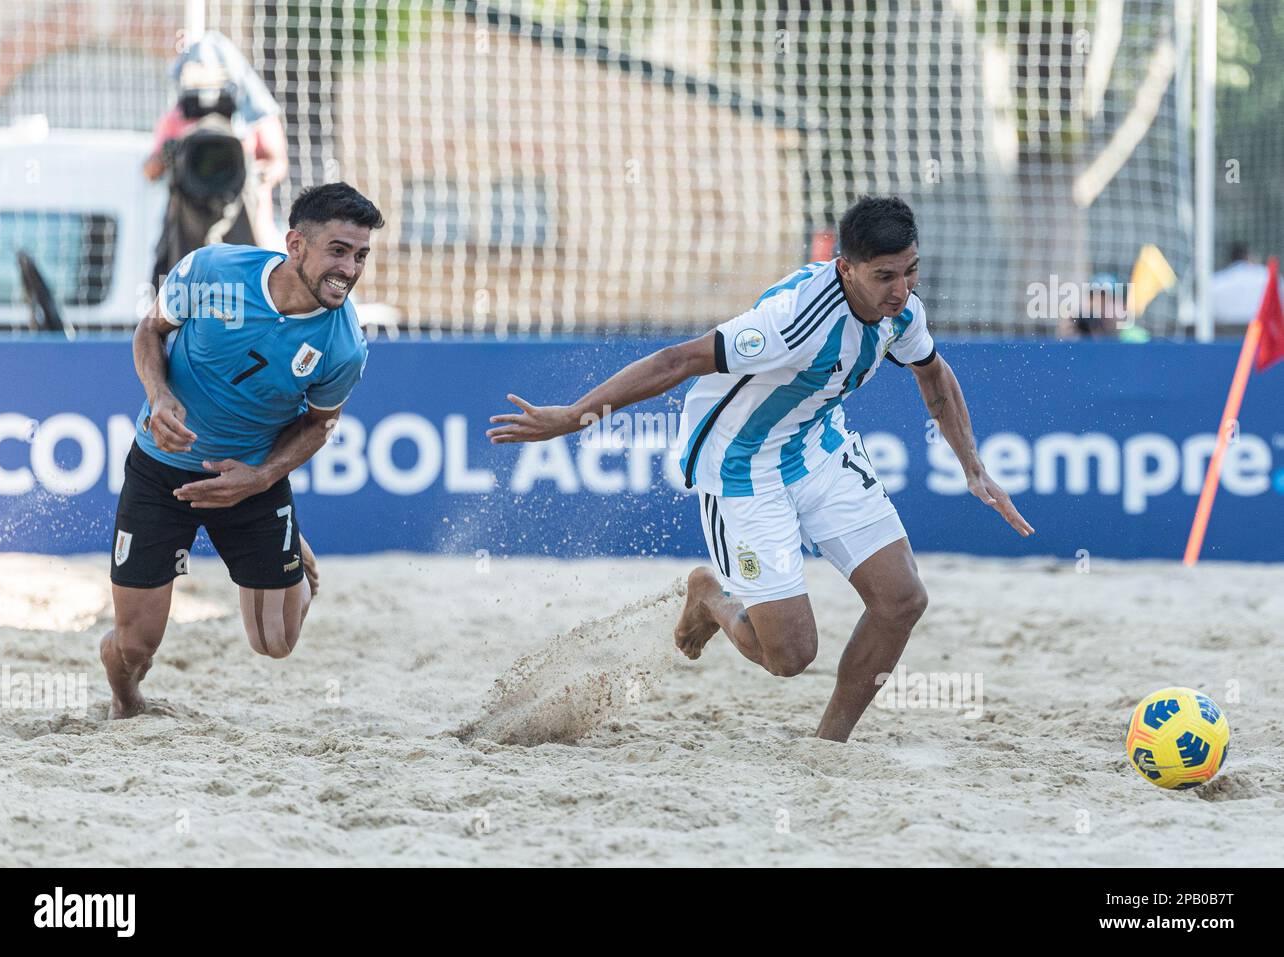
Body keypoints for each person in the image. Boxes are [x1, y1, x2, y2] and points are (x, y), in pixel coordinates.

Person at [487, 196, 1033, 742]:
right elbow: (676, 361)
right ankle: (710, 596)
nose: (902, 289)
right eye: (885, 276)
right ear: (846, 268)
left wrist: (973, 467)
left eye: (911, 271)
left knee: (903, 600)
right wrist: (572, 417)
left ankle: (828, 748)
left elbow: (933, 373)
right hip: (741, 466)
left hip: (815, 446)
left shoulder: (900, 310)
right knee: (790, 656)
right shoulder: (790, 324)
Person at [100, 183, 384, 719]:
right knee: (134, 647)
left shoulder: (344, 344)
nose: (350, 269)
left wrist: (259, 477)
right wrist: (159, 397)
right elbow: (150, 331)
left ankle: (286, 541)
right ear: (296, 244)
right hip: (161, 473)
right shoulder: (213, 271)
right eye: (339, 251)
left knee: (275, 643)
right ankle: (126, 700)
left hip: (251, 480)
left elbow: (320, 425)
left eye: (361, 255)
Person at [144, 30, 290, 275]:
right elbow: (149, 171)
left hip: (245, 220)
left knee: (260, 285)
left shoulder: (255, 118)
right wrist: (169, 155)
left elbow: (278, 164)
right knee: (174, 292)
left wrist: (250, 170)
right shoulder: (176, 119)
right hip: (188, 225)